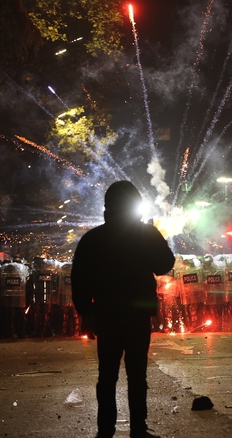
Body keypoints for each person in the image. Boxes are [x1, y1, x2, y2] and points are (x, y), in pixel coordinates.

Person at [72, 181, 175, 438]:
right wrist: (156, 237)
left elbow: (80, 279)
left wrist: (86, 313)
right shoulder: (146, 234)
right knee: (137, 375)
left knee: (107, 376)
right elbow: (165, 264)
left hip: (106, 314)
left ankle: (105, 430)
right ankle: (138, 429)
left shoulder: (93, 239)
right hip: (137, 316)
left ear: (108, 207)